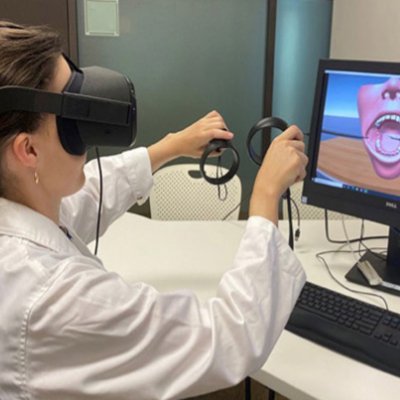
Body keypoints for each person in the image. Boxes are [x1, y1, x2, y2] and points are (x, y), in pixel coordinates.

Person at [0, 21, 308, 400]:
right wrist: (264, 199)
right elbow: (228, 338)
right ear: (27, 151)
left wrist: (171, 146)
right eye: (73, 122)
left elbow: (88, 195)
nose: (90, 134)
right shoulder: (52, 298)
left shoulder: (18, 207)